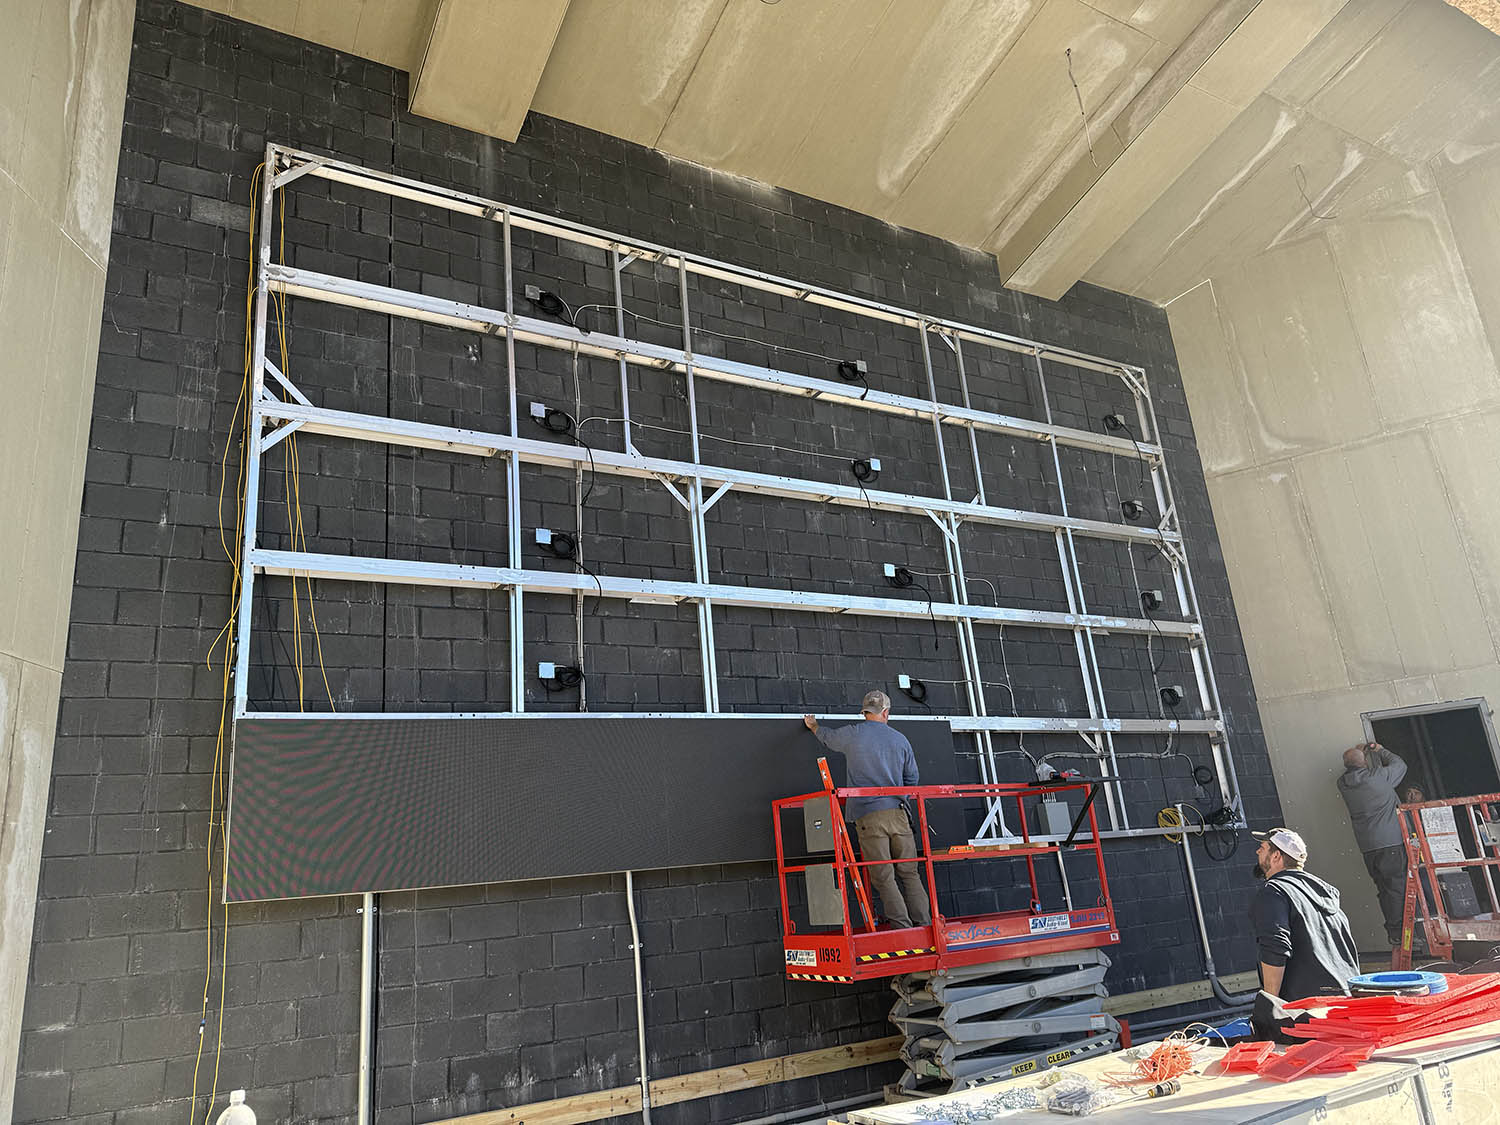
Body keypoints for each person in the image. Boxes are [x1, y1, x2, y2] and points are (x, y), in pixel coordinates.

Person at [803, 691, 931, 929]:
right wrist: (899, 800)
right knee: (910, 873)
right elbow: (912, 779)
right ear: (886, 712)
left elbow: (828, 737)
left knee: (884, 876)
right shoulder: (900, 740)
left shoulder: (853, 734)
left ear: (864, 712)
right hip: (899, 814)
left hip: (868, 816)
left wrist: (814, 726)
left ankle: (903, 930)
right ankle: (924, 924)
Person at [1250, 827, 1360, 1001]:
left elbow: (1275, 947)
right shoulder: (1324, 892)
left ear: (1276, 856)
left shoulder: (1274, 891)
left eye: (1262, 847)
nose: (1258, 851)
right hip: (1346, 999)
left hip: (1308, 1007)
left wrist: (1271, 1003)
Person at [1337, 742, 1409, 951]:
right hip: (1390, 843)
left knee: (1385, 889)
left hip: (1368, 847)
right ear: (1364, 763)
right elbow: (1400, 764)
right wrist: (1379, 750)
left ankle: (1394, 931)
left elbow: (1354, 768)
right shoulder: (1378, 777)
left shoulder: (1342, 784)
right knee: (1397, 888)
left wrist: (1360, 755)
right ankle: (1401, 933)